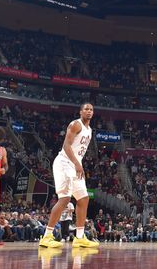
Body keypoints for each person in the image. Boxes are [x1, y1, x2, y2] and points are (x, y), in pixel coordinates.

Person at [39, 103, 99, 249]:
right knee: (65, 198)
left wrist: (79, 165)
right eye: (86, 109)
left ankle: (79, 237)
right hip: (64, 163)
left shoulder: (89, 130)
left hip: (74, 165)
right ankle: (47, 237)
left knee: (83, 198)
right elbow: (66, 146)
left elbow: (78, 150)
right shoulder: (75, 124)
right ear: (80, 112)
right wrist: (77, 164)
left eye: (91, 109)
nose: (89, 111)